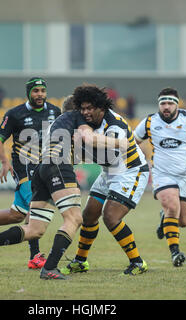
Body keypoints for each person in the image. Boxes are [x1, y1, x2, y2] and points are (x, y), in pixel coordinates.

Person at [0, 90, 125, 280]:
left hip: (43, 170)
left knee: (35, 230)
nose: (86, 113)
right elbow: (90, 139)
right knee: (74, 219)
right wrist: (120, 143)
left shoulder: (56, 123)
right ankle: (49, 267)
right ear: (77, 111)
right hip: (58, 166)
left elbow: (79, 150)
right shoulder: (75, 117)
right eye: (84, 110)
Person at [0, 77, 61, 269]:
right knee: (35, 204)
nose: (39, 94)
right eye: (35, 91)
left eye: (42, 90)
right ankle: (35, 256)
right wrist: (4, 161)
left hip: (45, 167)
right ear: (28, 93)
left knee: (17, 214)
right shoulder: (15, 114)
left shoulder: (55, 112)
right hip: (24, 167)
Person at [61, 84, 150, 276]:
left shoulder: (113, 125)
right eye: (82, 109)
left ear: (100, 107)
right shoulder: (88, 125)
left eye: (89, 108)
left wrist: (82, 144)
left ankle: (138, 262)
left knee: (111, 217)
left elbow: (110, 156)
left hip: (130, 171)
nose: (85, 113)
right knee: (89, 215)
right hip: (109, 171)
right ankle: (80, 261)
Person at [131, 88, 186, 267]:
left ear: (177, 104)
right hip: (162, 174)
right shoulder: (149, 122)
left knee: (183, 221)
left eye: (170, 103)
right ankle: (175, 253)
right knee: (172, 205)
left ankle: (166, 217)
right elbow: (133, 142)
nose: (166, 107)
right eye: (163, 103)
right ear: (159, 105)